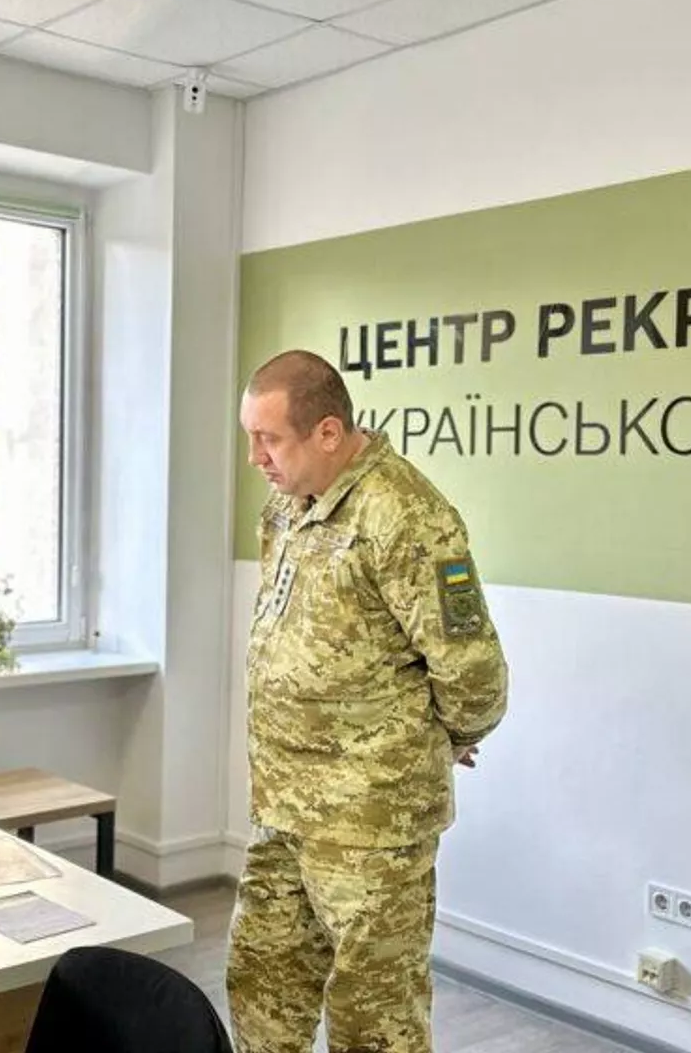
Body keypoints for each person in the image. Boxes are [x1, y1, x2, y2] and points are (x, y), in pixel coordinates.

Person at [228, 350, 510, 1053]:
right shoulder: (288, 507)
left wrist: (440, 735)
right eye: (250, 438)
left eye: (269, 439)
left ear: (328, 431)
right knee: (262, 987)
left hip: (371, 824)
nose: (256, 457)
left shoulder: (408, 516)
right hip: (285, 806)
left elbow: (474, 673)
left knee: (372, 1022)